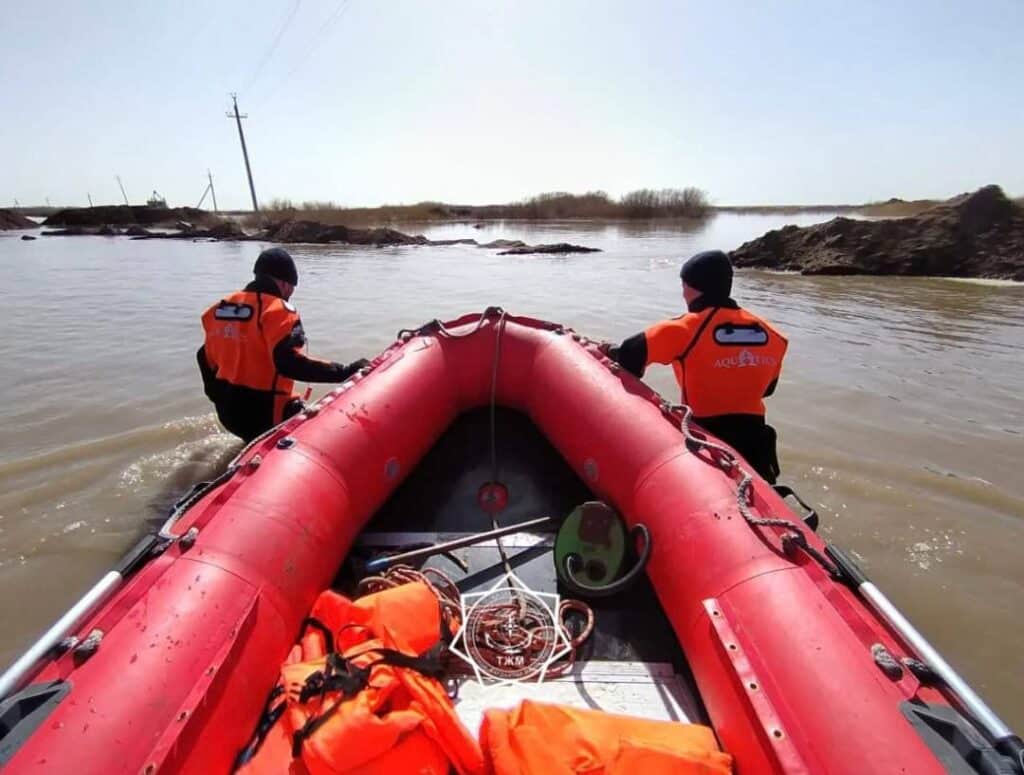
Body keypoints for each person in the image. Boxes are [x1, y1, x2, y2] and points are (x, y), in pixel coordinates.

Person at [609, 250, 788, 482]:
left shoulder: (683, 329)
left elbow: (629, 355)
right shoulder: (774, 334)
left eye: (683, 285)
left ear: (692, 287)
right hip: (755, 442)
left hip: (706, 437)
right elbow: (768, 390)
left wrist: (608, 352)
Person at [197, 247, 369, 441]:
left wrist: (216, 395)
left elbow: (203, 358)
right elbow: (290, 364)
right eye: (291, 288)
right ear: (283, 283)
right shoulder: (278, 311)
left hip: (228, 413)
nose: (290, 293)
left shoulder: (217, 310)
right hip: (266, 415)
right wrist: (345, 372)